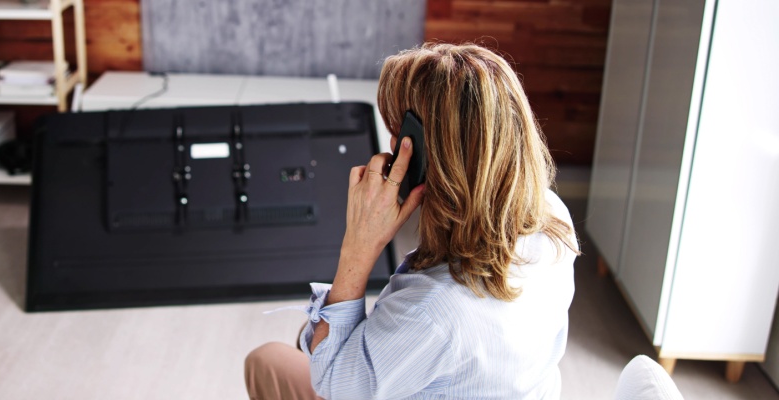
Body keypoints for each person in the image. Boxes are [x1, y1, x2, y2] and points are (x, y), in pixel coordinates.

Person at [245, 42, 580, 400]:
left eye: (400, 130)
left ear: (422, 150)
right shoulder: (550, 212)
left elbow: (334, 383)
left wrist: (358, 247)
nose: (392, 142)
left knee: (267, 360)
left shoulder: (434, 311)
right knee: (310, 338)